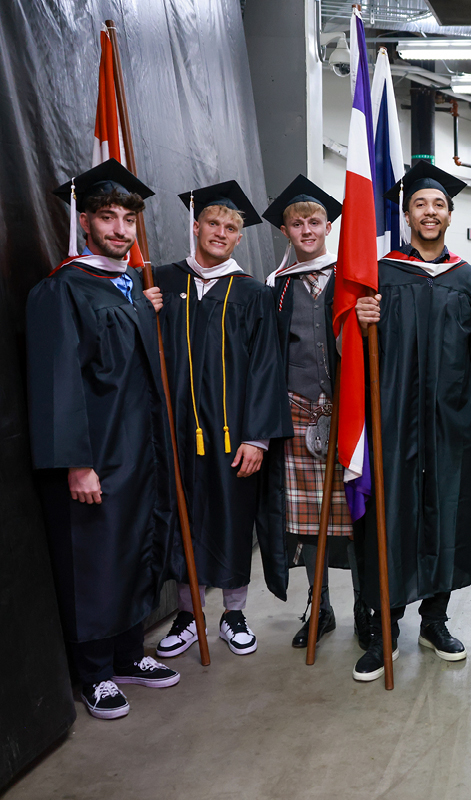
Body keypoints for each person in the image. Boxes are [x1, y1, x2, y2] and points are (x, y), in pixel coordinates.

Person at [27, 160, 178, 719]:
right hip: (97, 455)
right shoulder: (60, 289)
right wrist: (77, 463)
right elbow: (57, 384)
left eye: (129, 219)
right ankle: (93, 673)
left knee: (134, 552)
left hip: (139, 450)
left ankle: (125, 656)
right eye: (107, 218)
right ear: (84, 222)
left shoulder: (129, 286)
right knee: (93, 560)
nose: (120, 229)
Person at [350, 162, 471, 681]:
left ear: (450, 215)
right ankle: (385, 625)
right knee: (393, 515)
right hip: (394, 417)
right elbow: (347, 351)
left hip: (449, 422)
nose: (429, 212)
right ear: (407, 213)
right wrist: (356, 319)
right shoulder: (380, 274)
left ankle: (435, 619)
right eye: (420, 205)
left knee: (446, 514)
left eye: (438, 205)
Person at [154, 181, 291, 660]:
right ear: (196, 227)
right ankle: (190, 615)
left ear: (239, 238)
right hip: (175, 433)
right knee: (183, 522)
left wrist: (258, 437)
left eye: (231, 227)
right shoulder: (164, 283)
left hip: (234, 433)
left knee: (232, 521)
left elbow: (267, 367)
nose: (221, 232)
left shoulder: (252, 293)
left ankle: (233, 613)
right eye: (213, 223)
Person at [260, 175, 366, 650]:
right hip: (297, 411)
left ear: (329, 226)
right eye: (297, 223)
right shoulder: (275, 289)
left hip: (349, 415)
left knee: (358, 512)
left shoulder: (352, 278)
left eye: (315, 221)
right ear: (285, 231)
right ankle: (319, 606)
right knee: (304, 521)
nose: (307, 230)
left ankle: (366, 606)